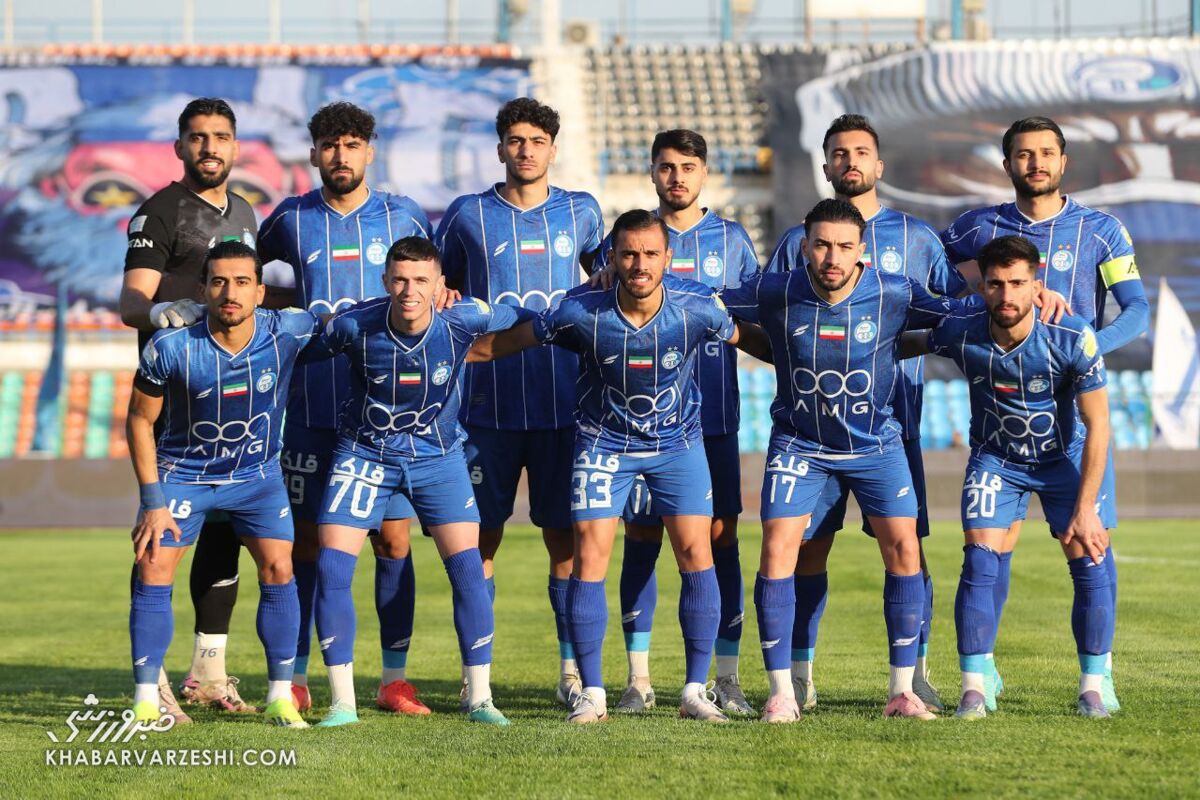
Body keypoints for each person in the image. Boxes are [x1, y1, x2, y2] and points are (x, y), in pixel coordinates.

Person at [473, 209, 749, 724]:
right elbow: (511, 341)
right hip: (604, 446)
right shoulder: (580, 311)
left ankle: (694, 692)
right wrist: (453, 353)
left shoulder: (697, 308)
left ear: (668, 257)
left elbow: (747, 338)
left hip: (677, 444)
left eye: (650, 253)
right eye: (628, 254)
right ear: (612, 259)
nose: (640, 264)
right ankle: (594, 694)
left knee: (696, 553)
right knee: (590, 557)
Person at [722, 198, 962, 722]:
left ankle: (903, 691)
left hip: (876, 445)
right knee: (779, 549)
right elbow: (707, 300)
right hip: (800, 445)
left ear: (862, 250)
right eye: (822, 245)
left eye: (844, 246)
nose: (832, 257)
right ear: (804, 246)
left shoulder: (895, 292)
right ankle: (783, 692)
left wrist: (1031, 294)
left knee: (905, 549)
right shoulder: (776, 289)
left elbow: (961, 310)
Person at [940, 116, 1145, 712]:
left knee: (1089, 542)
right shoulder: (976, 228)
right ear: (1007, 164)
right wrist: (986, 304)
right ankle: (981, 672)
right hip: (1001, 415)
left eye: (1046, 153)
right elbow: (932, 287)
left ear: (1063, 161)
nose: (1036, 163)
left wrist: (1081, 347)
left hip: (1074, 420)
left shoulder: (1102, 230)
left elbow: (1136, 310)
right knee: (989, 546)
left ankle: (1099, 678)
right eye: (1024, 155)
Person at [764, 114, 968, 712]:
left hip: (893, 422)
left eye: (860, 152)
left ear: (878, 165)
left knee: (907, 546)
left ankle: (914, 676)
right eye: (838, 152)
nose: (849, 161)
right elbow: (765, 314)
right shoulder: (794, 244)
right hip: (810, 427)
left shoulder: (917, 239)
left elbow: (949, 311)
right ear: (825, 164)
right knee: (807, 549)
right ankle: (796, 677)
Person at [306, 237, 534, 727]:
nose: (410, 291)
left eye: (421, 281)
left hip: (439, 459)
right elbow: (298, 350)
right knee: (332, 568)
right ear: (386, 282)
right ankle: (343, 703)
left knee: (468, 570)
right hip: (364, 455)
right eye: (400, 280)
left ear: (440, 285)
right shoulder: (353, 325)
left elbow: (526, 318)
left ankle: (480, 699)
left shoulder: (464, 318)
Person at [257, 101, 433, 717]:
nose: (340, 155)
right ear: (313, 153)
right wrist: (285, 309)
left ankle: (393, 680)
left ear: (369, 152)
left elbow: (434, 285)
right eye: (330, 145)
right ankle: (298, 678)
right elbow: (248, 279)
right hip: (312, 406)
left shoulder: (402, 215)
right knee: (306, 545)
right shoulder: (291, 218)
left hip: (389, 418)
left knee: (393, 541)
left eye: (352, 144)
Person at [434, 97, 604, 706]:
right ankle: (475, 676)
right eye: (515, 140)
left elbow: (608, 280)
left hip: (565, 406)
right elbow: (439, 285)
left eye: (536, 140)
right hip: (485, 410)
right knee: (476, 543)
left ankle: (570, 672)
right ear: (500, 147)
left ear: (553, 147)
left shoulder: (582, 212)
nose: (525, 150)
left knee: (566, 542)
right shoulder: (467, 214)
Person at [905, 235, 1115, 718]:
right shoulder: (962, 331)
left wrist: (1086, 508)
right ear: (982, 287)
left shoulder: (1071, 335)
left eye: (1018, 283)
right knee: (979, 562)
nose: (1006, 294)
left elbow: (1100, 423)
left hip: (1061, 462)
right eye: (996, 284)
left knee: (1090, 558)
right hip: (995, 461)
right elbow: (905, 339)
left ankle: (1094, 686)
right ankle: (975, 688)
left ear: (1037, 286)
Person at [590, 129, 761, 716]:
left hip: (712, 419)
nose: (677, 177)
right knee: (640, 537)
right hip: (637, 424)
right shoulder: (627, 240)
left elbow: (752, 319)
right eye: (666, 167)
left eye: (688, 167)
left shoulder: (732, 241)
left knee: (719, 538)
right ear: (652, 172)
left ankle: (726, 676)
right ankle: (637, 679)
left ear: (704, 173)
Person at [126, 240, 319, 729]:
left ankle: (280, 698)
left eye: (241, 282)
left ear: (260, 292)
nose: (229, 293)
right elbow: (139, 421)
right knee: (153, 567)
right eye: (218, 282)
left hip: (257, 479)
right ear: (202, 290)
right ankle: (146, 700)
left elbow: (354, 321)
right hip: (183, 476)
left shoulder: (289, 331)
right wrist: (152, 501)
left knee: (279, 568)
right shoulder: (169, 347)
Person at [119, 97, 260, 721]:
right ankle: (150, 683)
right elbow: (131, 302)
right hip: (175, 407)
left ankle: (208, 672)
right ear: (179, 147)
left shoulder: (246, 212)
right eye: (198, 137)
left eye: (220, 136)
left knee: (226, 536)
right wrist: (159, 313)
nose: (210, 147)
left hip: (232, 404)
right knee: (161, 540)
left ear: (235, 146)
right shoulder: (160, 211)